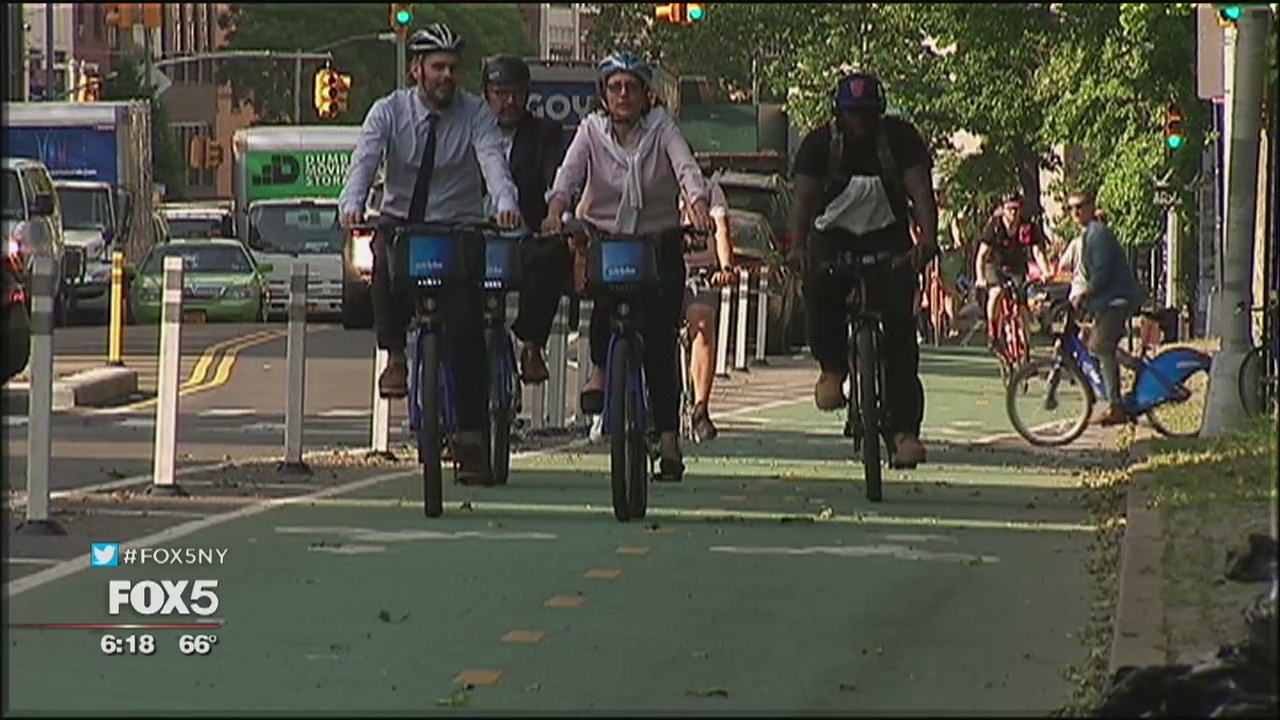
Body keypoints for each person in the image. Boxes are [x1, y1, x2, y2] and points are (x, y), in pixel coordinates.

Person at [338, 24, 522, 484]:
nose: (446, 76)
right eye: (438, 67)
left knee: (467, 331)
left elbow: (494, 164)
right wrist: (352, 203)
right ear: (416, 70)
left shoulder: (476, 114)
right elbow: (364, 163)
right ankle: (395, 357)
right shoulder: (388, 112)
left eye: (453, 68)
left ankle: (472, 439)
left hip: (460, 228)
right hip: (403, 224)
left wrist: (505, 203)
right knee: (380, 257)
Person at [541, 51, 715, 481]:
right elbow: (567, 177)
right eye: (615, 87)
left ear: (645, 95)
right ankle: (602, 370)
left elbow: (687, 170)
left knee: (659, 338)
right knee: (605, 305)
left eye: (632, 87)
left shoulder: (663, 128)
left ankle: (669, 439)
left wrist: (697, 205)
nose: (623, 95)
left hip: (658, 242)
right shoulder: (590, 131)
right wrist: (556, 211)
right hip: (606, 240)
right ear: (603, 94)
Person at [788, 72, 940, 468]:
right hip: (832, 239)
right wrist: (798, 247)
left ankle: (904, 432)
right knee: (818, 292)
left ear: (879, 112)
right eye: (852, 114)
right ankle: (833, 368)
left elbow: (921, 193)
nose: (859, 122)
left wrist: (927, 241)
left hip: (888, 242)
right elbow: (803, 203)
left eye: (867, 113)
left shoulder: (900, 141)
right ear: (838, 113)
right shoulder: (819, 146)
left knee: (901, 333)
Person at [479, 55, 573, 385]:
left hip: (524, 237)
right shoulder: (468, 130)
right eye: (500, 93)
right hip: (473, 236)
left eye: (517, 93)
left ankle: (532, 345)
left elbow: (555, 178)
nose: (509, 101)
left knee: (552, 254)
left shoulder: (544, 133)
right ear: (485, 94)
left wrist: (555, 215)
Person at [1066, 192, 1145, 425]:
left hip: (1117, 300)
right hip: (1108, 300)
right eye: (1071, 208)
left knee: (1100, 345)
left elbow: (1102, 273)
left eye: (1080, 206)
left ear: (1091, 207)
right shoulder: (1088, 235)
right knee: (1096, 344)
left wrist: (1084, 294)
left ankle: (1115, 406)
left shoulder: (1097, 234)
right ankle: (1135, 367)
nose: (1076, 212)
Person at [680, 174, 736, 442]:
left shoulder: (710, 190)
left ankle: (700, 408)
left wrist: (725, 267)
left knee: (702, 323)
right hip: (660, 268)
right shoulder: (653, 184)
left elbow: (721, 230)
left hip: (699, 271)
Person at [973, 193, 1052, 349]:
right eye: (1010, 209)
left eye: (1016, 208)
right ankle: (993, 333)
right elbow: (981, 256)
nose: (1013, 213)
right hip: (994, 266)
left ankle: (1026, 345)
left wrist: (1046, 271)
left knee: (1021, 303)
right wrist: (980, 278)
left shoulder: (1026, 227)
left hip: (1016, 267)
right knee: (997, 292)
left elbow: (1037, 252)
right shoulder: (994, 227)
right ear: (1003, 209)